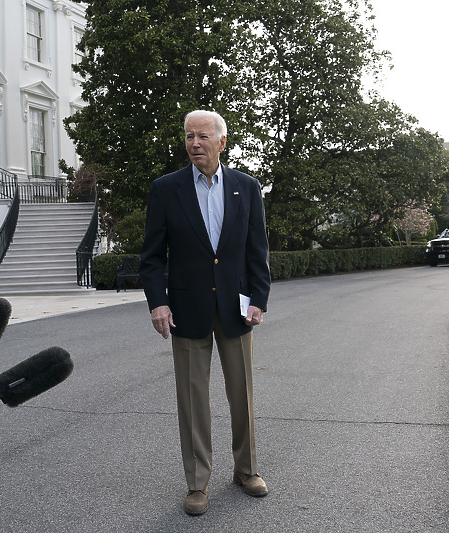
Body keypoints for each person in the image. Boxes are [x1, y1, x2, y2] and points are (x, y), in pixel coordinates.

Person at [139, 110, 271, 516]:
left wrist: (259, 300)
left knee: (241, 395)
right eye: (189, 136)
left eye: (203, 136)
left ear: (222, 142)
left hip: (236, 309)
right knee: (193, 400)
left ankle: (246, 471)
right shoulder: (166, 189)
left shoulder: (246, 188)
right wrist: (158, 302)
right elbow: (151, 257)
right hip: (187, 309)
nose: (195, 143)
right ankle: (197, 483)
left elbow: (257, 251)